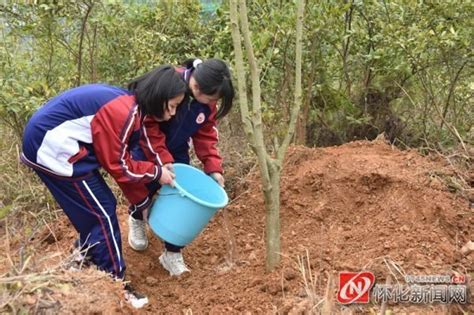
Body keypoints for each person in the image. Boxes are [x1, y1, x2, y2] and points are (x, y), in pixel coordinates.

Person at [21, 65, 187, 308]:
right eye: (171, 106)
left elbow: (123, 159)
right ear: (158, 96)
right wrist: (156, 173)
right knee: (101, 214)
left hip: (54, 144)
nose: (172, 114)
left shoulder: (131, 106)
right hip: (52, 149)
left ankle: (84, 257)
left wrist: (143, 198)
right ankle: (115, 283)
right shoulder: (124, 112)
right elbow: (119, 166)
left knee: (96, 207)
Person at [127, 58, 235, 276]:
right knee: (145, 186)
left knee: (180, 194)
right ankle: (137, 218)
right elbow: (147, 124)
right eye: (212, 98)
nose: (212, 103)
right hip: (147, 146)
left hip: (177, 150)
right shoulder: (170, 84)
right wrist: (162, 160)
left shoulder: (206, 102)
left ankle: (172, 252)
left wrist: (213, 167)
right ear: (196, 87)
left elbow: (206, 135)